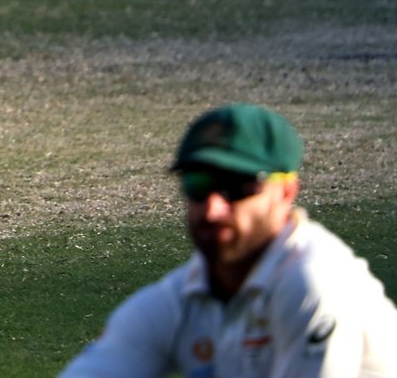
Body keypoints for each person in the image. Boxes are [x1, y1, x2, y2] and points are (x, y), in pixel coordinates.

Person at [61, 104, 397, 377]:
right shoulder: (188, 296)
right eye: (198, 184)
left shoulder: (313, 282)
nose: (213, 208)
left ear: (286, 192)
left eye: (237, 187)